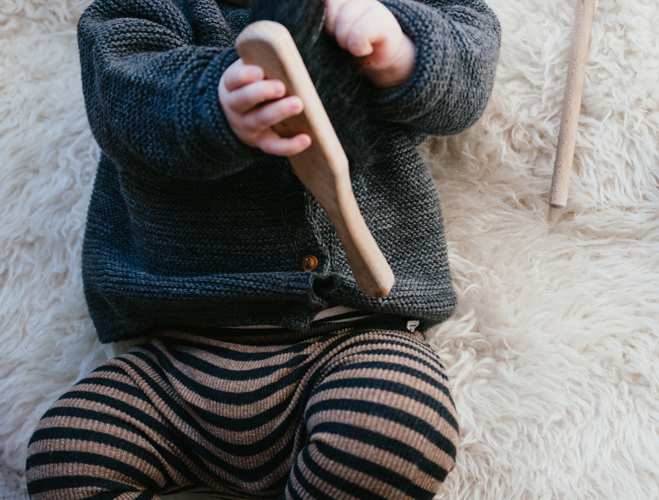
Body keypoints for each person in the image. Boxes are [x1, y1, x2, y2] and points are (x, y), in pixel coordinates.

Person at [26, 0, 500, 498]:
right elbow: (121, 97)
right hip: (177, 362)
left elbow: (468, 58)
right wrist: (212, 102)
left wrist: (400, 48)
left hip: (352, 340)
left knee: (394, 426)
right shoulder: (145, 10)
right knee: (67, 455)